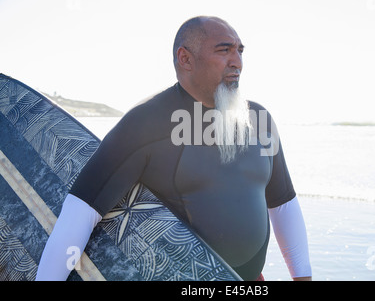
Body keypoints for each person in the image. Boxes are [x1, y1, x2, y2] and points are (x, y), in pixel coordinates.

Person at [36, 16, 312, 281]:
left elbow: (283, 204)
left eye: (240, 51)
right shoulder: (146, 122)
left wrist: (303, 277)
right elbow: (81, 212)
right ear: (185, 59)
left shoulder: (259, 120)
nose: (237, 62)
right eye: (224, 51)